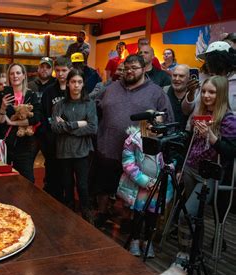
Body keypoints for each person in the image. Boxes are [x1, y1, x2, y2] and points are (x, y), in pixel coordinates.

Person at [93, 54, 174, 226]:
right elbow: (94, 108)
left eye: (134, 68)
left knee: (130, 189)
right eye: (126, 68)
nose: (129, 71)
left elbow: (166, 120)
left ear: (144, 69)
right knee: (103, 185)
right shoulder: (110, 88)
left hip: (137, 154)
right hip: (108, 147)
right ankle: (102, 213)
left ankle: (127, 220)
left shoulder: (156, 93)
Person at [174, 76, 236, 268]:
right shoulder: (199, 112)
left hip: (209, 175)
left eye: (212, 92)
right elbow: (189, 144)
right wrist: (181, 167)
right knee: (195, 216)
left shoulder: (228, 119)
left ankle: (184, 254)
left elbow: (231, 152)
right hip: (190, 169)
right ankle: (195, 251)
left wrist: (211, 137)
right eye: (205, 91)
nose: (207, 95)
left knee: (187, 214)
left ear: (222, 94)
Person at [117, 115, 173, 257]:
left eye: (157, 125)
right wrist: (145, 181)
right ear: (144, 124)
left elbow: (170, 162)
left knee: (152, 216)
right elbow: (128, 164)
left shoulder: (164, 141)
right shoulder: (133, 140)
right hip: (140, 186)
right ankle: (135, 241)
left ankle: (148, 241)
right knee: (138, 214)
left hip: (158, 185)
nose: (153, 128)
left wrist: (163, 179)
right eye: (150, 124)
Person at [51, 69, 97, 221]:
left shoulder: (89, 103)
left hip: (82, 151)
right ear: (68, 83)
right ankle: (69, 211)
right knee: (67, 184)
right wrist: (78, 124)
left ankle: (86, 211)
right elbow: (55, 128)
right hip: (64, 150)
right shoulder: (60, 105)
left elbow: (92, 127)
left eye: (79, 82)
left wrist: (68, 127)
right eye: (73, 82)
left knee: (83, 185)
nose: (76, 85)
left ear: (83, 84)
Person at [0, 63, 42, 182]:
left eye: (18, 73)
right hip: (5, 145)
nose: (15, 76)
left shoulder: (31, 95)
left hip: (25, 145)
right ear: (9, 76)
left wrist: (13, 123)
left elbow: (36, 118)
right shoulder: (2, 95)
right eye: (12, 73)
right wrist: (3, 107)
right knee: (3, 181)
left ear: (24, 76)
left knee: (27, 181)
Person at [40, 56, 72, 201]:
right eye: (58, 70)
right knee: (52, 173)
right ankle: (52, 200)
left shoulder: (75, 89)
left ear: (70, 70)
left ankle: (69, 202)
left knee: (68, 174)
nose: (61, 74)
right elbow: (44, 114)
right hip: (52, 139)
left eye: (64, 70)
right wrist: (47, 137)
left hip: (71, 139)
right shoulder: (49, 91)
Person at [183, 41, 236, 114]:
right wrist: (191, 93)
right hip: (196, 124)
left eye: (211, 60)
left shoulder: (234, 81)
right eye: (206, 60)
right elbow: (186, 111)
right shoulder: (202, 78)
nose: (207, 63)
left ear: (223, 60)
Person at [163, 64, 191, 130]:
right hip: (167, 137)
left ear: (189, 78)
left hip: (188, 138)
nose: (177, 79)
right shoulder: (164, 91)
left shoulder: (195, 94)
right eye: (174, 75)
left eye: (181, 76)